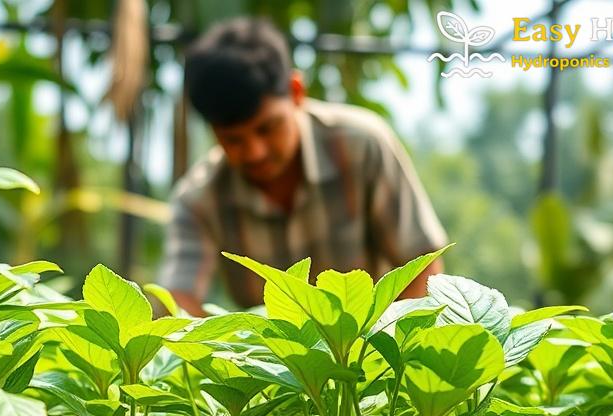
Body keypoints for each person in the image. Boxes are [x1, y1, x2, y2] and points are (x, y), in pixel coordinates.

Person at [159, 17, 447, 315]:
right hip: (273, 361)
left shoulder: (361, 146)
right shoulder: (199, 199)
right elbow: (178, 303)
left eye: (267, 128)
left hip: (369, 352)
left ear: (296, 91)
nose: (254, 152)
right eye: (233, 140)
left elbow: (422, 263)